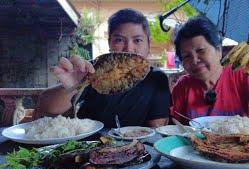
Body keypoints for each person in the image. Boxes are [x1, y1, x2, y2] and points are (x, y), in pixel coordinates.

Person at [34, 8, 171, 128]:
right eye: (119, 40)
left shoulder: (157, 79)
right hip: (89, 147)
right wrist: (72, 87)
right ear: (109, 43)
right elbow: (46, 108)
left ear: (149, 44)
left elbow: (157, 127)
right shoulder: (92, 69)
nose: (129, 49)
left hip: (137, 151)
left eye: (137, 40)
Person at [171, 16, 249, 124]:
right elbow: (178, 131)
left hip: (241, 152)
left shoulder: (242, 76)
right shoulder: (182, 87)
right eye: (186, 56)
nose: (194, 60)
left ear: (219, 51)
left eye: (201, 51)